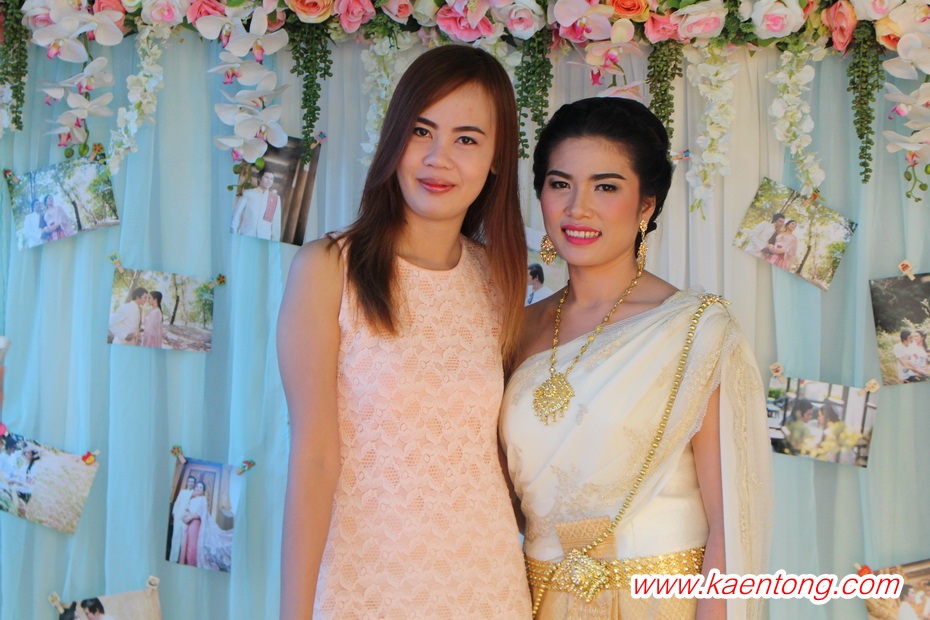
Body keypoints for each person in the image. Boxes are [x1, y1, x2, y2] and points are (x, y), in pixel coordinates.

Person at [278, 45, 531, 619]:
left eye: (467, 139)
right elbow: (313, 459)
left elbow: (500, 455)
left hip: (486, 587)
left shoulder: (498, 281)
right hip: (366, 587)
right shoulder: (328, 268)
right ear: (394, 137)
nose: (439, 158)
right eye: (422, 131)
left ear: (496, 158)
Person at [499, 97, 772, 619]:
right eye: (560, 184)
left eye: (606, 187)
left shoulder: (697, 330)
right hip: (535, 601)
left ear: (646, 205)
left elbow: (731, 523)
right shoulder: (517, 327)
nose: (578, 208)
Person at [231, 171, 282, 241]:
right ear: (259, 178)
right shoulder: (248, 193)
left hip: (263, 240)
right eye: (267, 177)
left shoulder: (275, 198)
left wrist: (274, 242)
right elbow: (236, 214)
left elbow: (276, 224)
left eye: (271, 179)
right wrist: (233, 233)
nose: (269, 181)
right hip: (246, 236)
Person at [168, 476, 196, 563]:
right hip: (178, 516)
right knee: (175, 537)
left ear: (194, 484)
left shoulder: (195, 493)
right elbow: (177, 502)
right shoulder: (182, 491)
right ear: (187, 482)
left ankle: (181, 560)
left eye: (192, 482)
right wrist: (174, 513)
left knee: (183, 539)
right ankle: (173, 559)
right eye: (189, 481)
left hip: (186, 518)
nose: (190, 483)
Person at [180, 481, 207, 567]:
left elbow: (201, 513)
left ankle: (191, 564)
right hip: (187, 523)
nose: (198, 488)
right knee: (186, 544)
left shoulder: (203, 499)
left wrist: (191, 516)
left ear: (203, 490)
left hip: (195, 523)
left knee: (192, 546)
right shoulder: (191, 499)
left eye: (200, 487)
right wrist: (185, 516)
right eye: (197, 486)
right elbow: (186, 510)